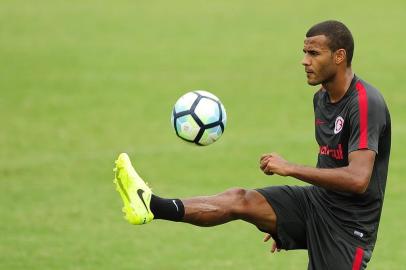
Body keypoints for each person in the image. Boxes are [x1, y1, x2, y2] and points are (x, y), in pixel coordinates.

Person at [113, 20, 391, 270]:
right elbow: (331, 162)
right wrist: (286, 218)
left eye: (314, 53)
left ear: (340, 56)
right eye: (304, 52)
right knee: (241, 200)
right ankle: (151, 205)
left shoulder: (365, 104)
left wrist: (289, 168)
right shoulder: (321, 98)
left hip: (347, 228)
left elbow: (358, 180)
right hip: (318, 203)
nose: (304, 61)